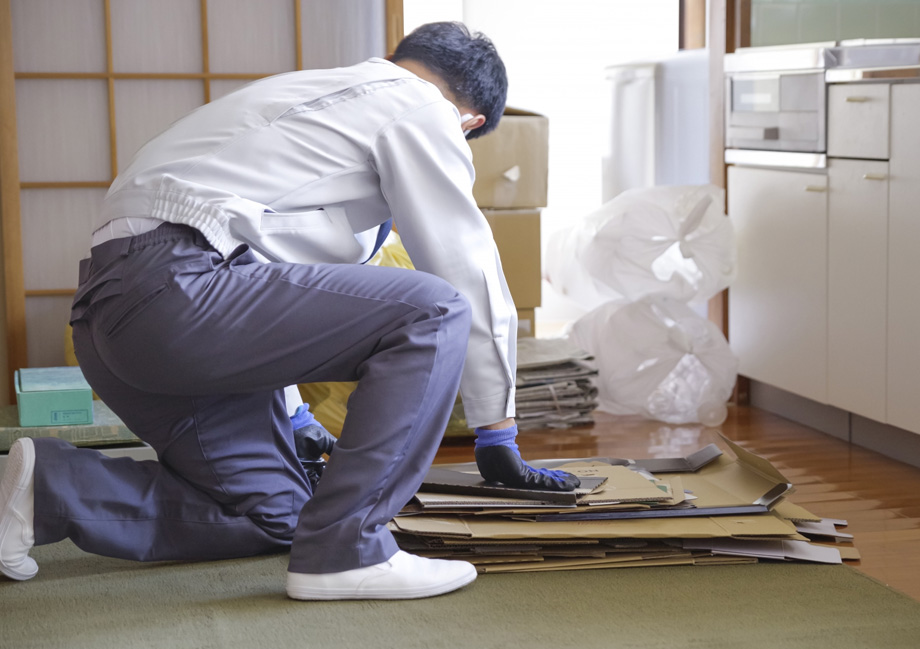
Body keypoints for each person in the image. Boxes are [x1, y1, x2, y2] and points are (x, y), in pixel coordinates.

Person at [0, 22, 578, 600]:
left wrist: (298, 418)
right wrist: (496, 429)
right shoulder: (421, 107)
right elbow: (465, 265)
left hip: (115, 320)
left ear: (394, 58)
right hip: (177, 299)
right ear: (470, 122)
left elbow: (262, 270)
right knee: (434, 311)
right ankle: (348, 552)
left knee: (277, 515)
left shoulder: (300, 99)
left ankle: (45, 489)